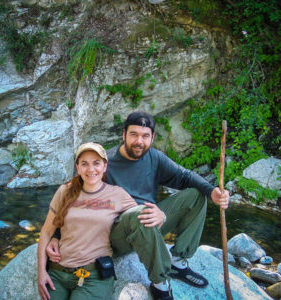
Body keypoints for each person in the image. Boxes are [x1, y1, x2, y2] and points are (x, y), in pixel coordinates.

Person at [47, 111, 230, 300]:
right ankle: (160, 283)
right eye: (134, 134)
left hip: (150, 225)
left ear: (152, 138)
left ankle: (178, 262)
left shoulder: (155, 158)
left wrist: (212, 192)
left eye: (145, 136)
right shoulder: (104, 164)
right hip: (115, 235)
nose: (139, 141)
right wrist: (56, 235)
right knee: (141, 213)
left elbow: (186, 177)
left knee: (196, 195)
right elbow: (73, 198)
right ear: (124, 135)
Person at [37, 142, 137, 300]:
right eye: (84, 164)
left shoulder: (117, 194)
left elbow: (140, 220)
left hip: (94, 276)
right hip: (57, 272)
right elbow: (46, 232)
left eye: (96, 163)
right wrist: (41, 272)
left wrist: (160, 215)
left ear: (105, 166)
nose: (91, 169)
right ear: (77, 167)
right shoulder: (65, 191)